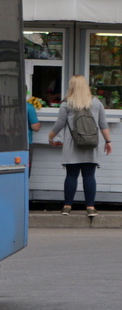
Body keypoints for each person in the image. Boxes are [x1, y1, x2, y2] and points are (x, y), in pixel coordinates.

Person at [48, 75, 113, 217]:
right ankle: (90, 207)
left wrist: (51, 136)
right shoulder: (96, 103)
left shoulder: (67, 103)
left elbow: (59, 124)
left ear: (71, 86)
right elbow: (103, 124)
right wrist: (108, 142)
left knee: (71, 176)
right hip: (91, 144)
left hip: (73, 145)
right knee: (89, 175)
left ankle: (67, 207)